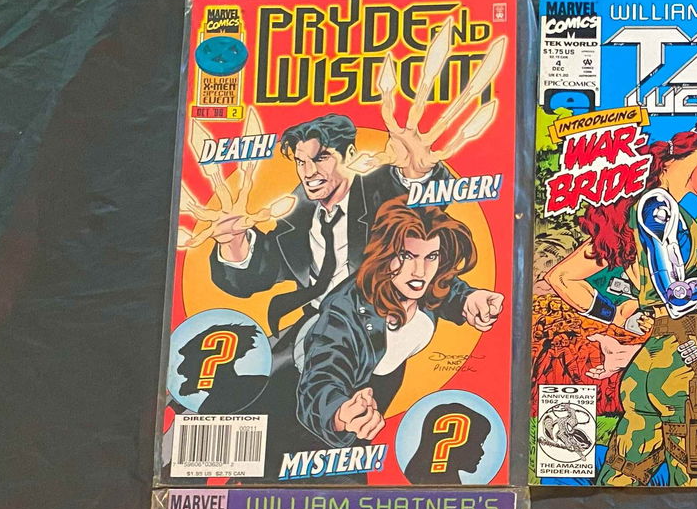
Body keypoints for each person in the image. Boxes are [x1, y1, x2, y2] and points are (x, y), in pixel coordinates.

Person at [545, 112, 697, 485]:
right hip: (686, 367)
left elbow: (562, 278)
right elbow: (677, 297)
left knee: (621, 477)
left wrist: (621, 316)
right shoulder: (659, 208)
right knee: (694, 484)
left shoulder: (635, 210)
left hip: (651, 362)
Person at [207, 113, 454, 334]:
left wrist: (420, 174)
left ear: (350, 155)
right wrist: (234, 244)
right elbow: (263, 273)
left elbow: (420, 209)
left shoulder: (379, 190)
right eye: (301, 162)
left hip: (380, 327)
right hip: (318, 326)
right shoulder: (298, 212)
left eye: (321, 158)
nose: (309, 172)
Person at [297, 198, 502, 450]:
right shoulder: (344, 312)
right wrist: (338, 414)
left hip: (378, 400)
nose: (420, 271)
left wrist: (469, 298)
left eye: (431, 256)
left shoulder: (420, 283)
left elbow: (444, 288)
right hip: (322, 417)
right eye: (407, 256)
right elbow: (322, 375)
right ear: (385, 254)